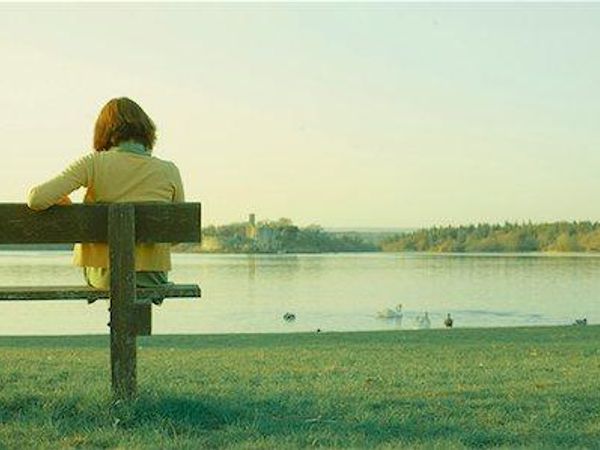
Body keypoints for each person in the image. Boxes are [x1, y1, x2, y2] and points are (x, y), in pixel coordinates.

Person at [27, 97, 185, 290]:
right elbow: (177, 234)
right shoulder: (169, 170)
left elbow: (36, 199)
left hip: (104, 276)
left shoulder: (94, 164)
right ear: (146, 131)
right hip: (152, 277)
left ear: (104, 131)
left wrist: (64, 203)